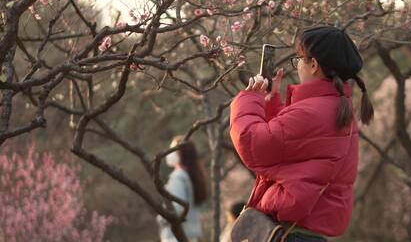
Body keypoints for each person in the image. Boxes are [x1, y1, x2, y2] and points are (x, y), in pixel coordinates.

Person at [229, 25, 374, 241]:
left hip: (293, 235)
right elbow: (298, 152)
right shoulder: (336, 107)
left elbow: (252, 143)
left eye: (299, 59)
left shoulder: (313, 112)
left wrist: (249, 99)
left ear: (314, 64)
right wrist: (271, 106)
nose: (297, 66)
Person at [157, 136, 209, 242]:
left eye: (172, 149)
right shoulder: (192, 176)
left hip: (176, 236)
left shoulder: (178, 177)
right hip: (191, 235)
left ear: (180, 154)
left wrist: (161, 219)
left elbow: (177, 209)